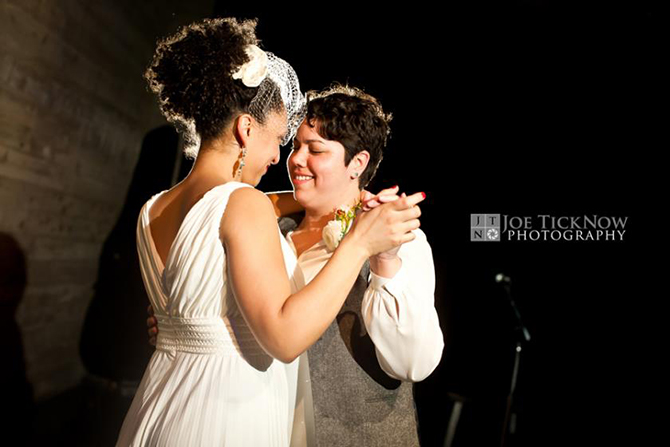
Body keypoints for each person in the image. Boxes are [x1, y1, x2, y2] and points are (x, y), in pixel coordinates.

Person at [116, 18, 423, 447]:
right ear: (245, 129)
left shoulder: (152, 209)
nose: (280, 156)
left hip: (163, 399)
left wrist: (345, 199)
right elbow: (283, 338)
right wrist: (358, 242)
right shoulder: (244, 204)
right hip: (226, 411)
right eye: (280, 138)